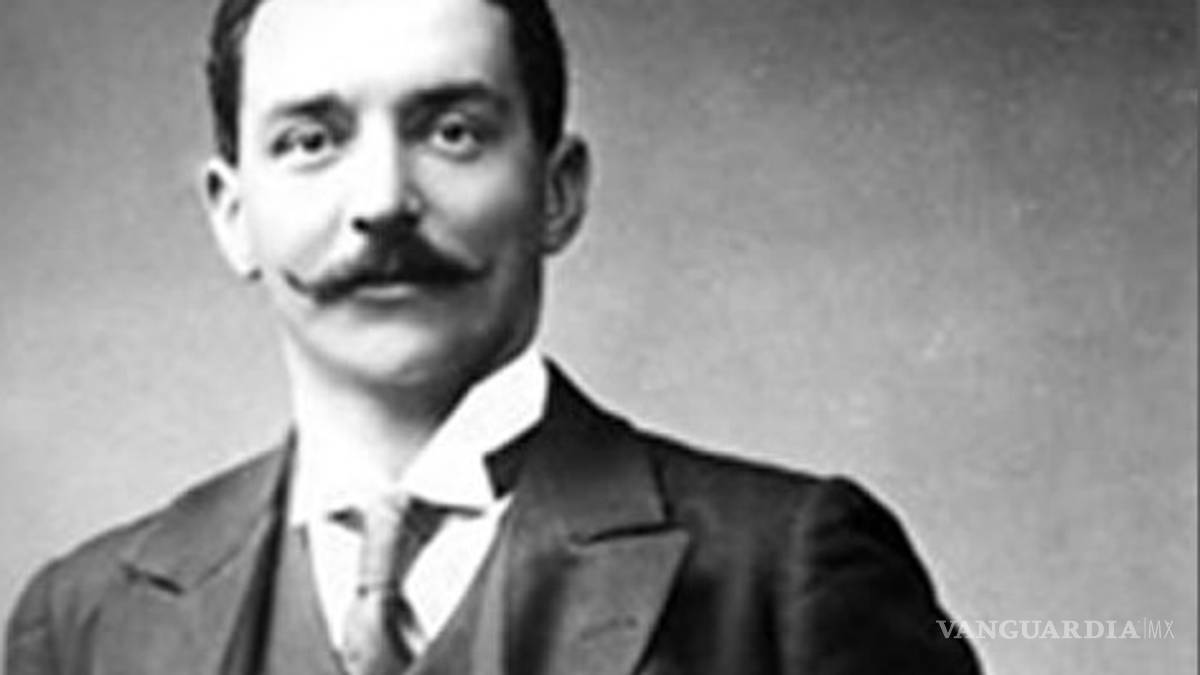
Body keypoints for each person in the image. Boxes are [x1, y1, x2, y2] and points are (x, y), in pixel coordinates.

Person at [5, 0, 981, 672]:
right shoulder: (80, 621)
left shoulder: (788, 569)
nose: (383, 200)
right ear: (233, 214)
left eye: (453, 131)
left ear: (558, 191)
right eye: (311, 140)